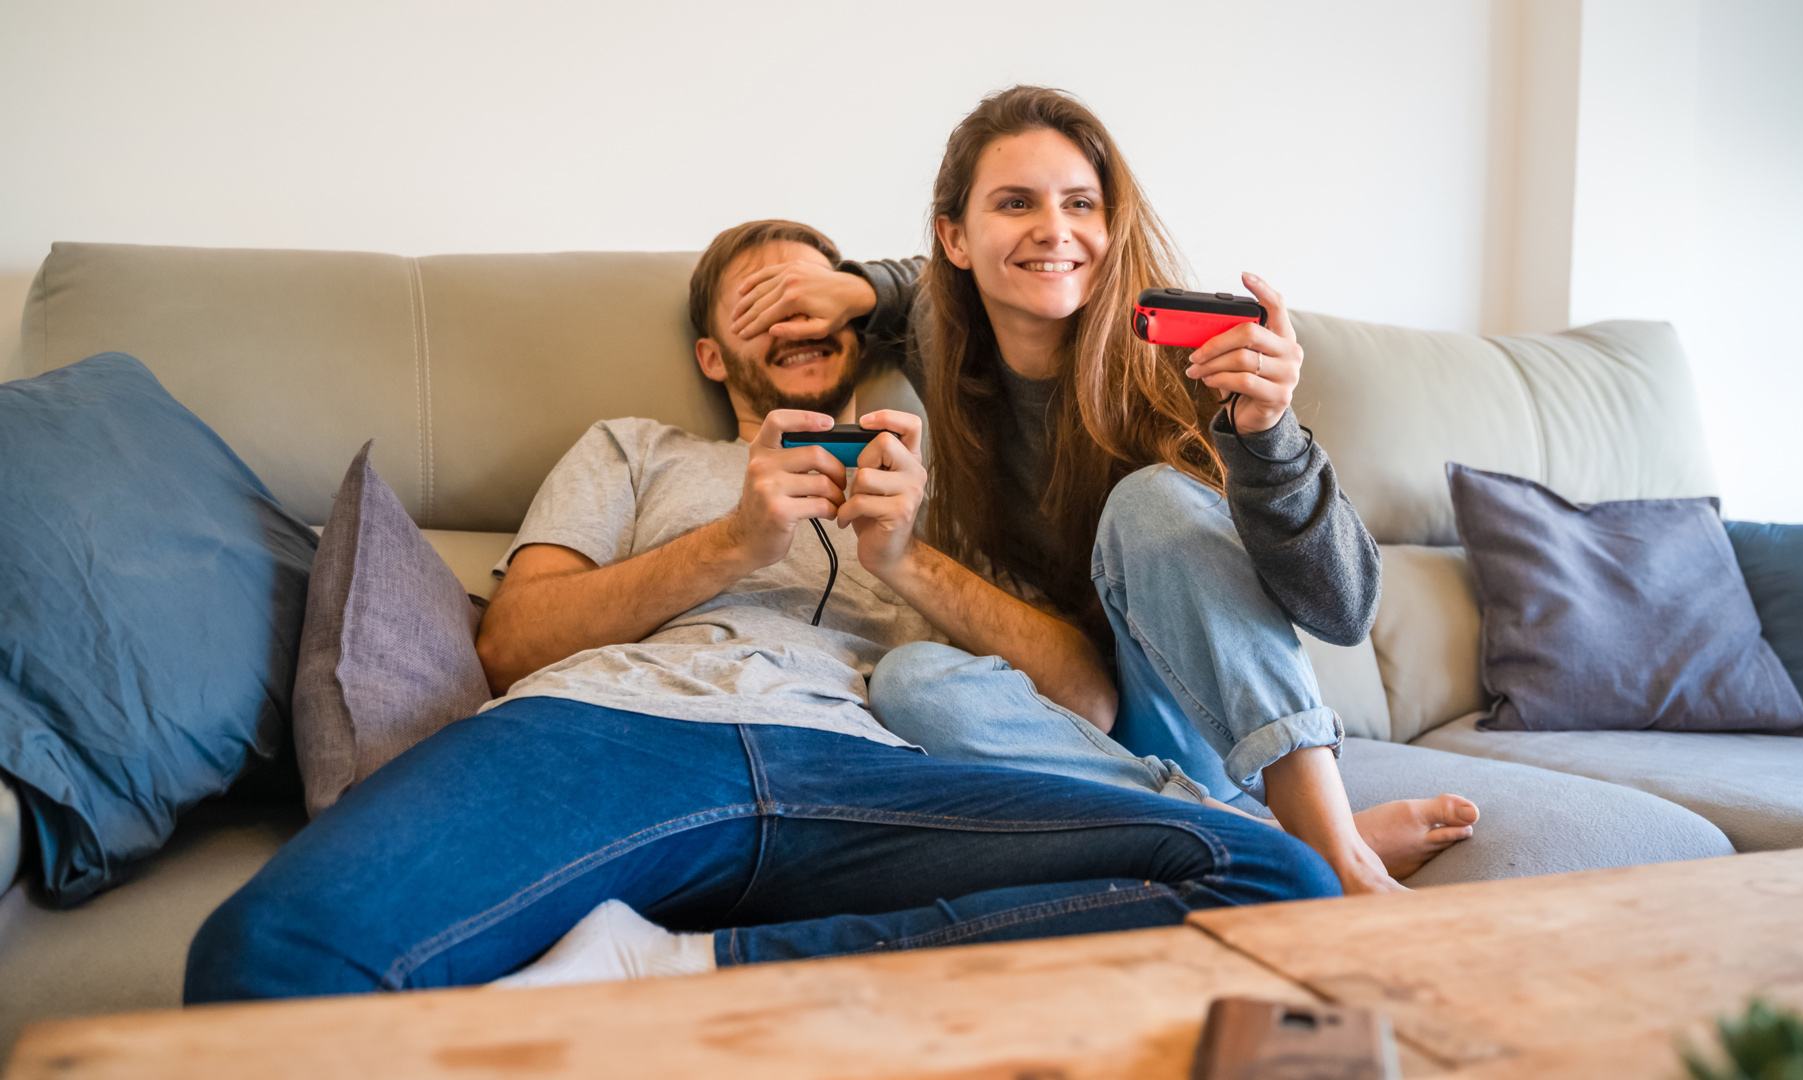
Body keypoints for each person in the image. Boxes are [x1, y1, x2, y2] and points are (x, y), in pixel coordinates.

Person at [182, 219, 1340, 1001]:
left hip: (880, 771)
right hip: (612, 739)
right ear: (709, 348)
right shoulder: (634, 450)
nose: (792, 310)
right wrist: (733, 540)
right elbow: (512, 642)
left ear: (855, 326)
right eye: (756, 296)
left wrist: (909, 560)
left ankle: (679, 969)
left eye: (813, 292)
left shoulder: (939, 474)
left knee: (1276, 881)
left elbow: (1084, 699)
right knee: (269, 956)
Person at [723, 87, 1477, 896]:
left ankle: (1337, 857)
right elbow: (916, 289)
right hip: (1093, 737)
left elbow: (1345, 610)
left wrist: (1270, 435)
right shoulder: (945, 346)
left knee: (1150, 499)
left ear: (1109, 227)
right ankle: (1252, 840)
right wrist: (861, 289)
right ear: (957, 237)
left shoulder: (1189, 367)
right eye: (1015, 203)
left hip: (1221, 723)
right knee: (911, 681)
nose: (1053, 228)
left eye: (1080, 202)